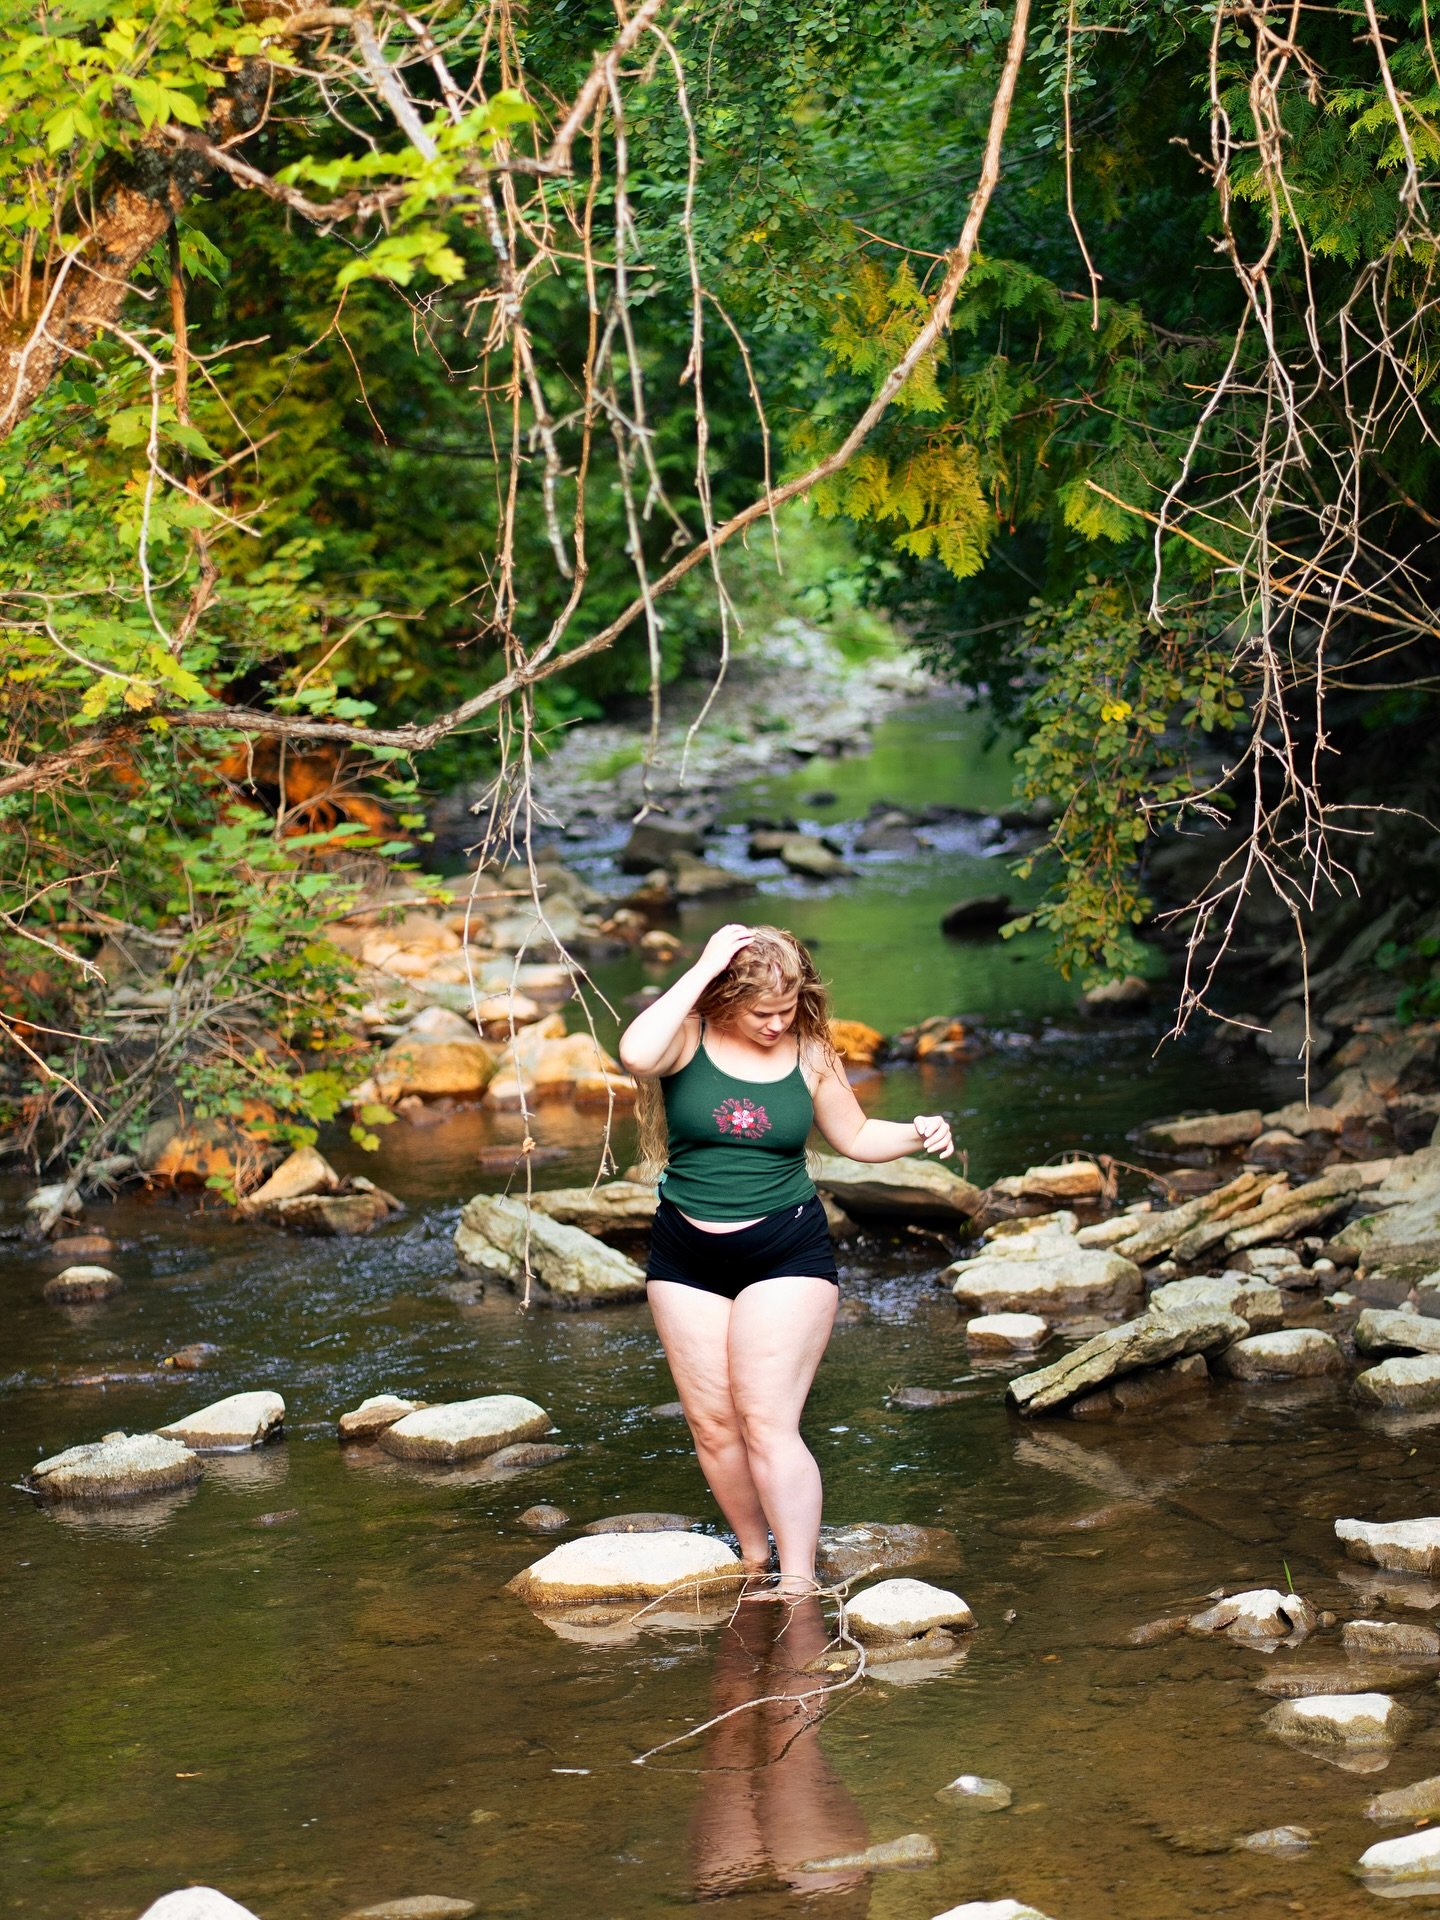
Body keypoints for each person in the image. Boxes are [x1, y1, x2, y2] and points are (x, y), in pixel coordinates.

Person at [618, 922, 954, 1597]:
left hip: (785, 1249)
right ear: (722, 999)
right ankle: (753, 1560)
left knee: (768, 1422)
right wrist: (706, 960)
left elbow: (854, 1135)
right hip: (685, 1253)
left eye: (789, 1008)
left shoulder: (810, 1054)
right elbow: (634, 1051)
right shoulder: (689, 1037)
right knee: (714, 1428)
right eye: (761, 1012)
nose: (778, 1023)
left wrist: (918, 1131)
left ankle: (799, 1586)